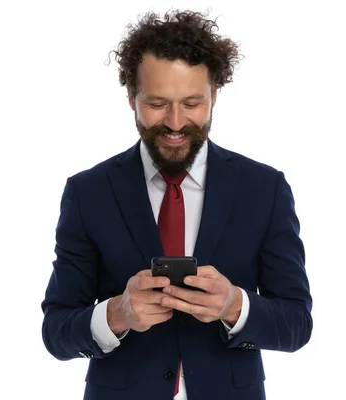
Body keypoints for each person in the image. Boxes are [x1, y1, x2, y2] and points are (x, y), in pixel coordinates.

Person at [41, 9, 313, 400]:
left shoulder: (263, 188)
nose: (174, 122)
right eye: (156, 103)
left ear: (214, 95)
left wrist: (234, 305)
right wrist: (117, 314)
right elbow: (57, 331)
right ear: (131, 97)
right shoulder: (89, 192)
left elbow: (296, 325)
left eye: (191, 103)